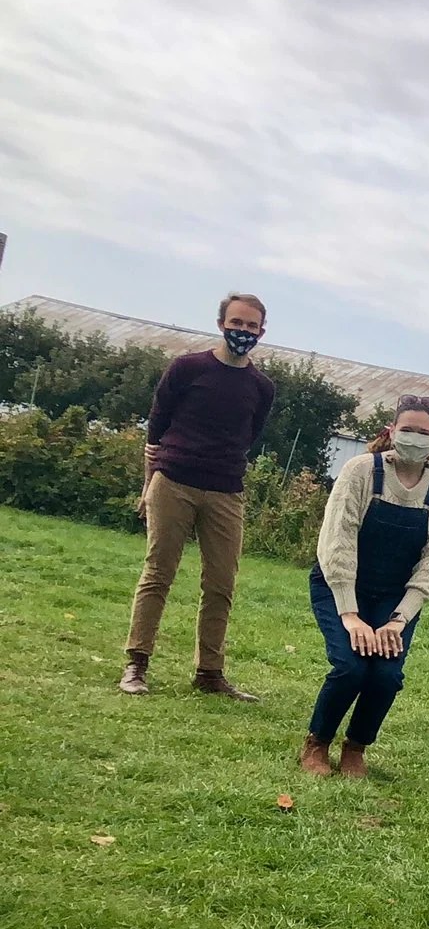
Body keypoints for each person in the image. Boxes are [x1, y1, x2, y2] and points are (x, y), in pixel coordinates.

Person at [120, 292, 277, 700]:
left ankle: (210, 673)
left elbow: (250, 435)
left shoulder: (262, 387)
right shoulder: (187, 368)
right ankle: (136, 663)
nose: (243, 331)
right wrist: (148, 483)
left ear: (262, 331)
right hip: (173, 481)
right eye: (236, 322)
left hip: (226, 491)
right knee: (158, 574)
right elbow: (155, 432)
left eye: (251, 326)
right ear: (221, 322)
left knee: (221, 585)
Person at [299, 396, 429, 778]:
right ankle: (317, 743)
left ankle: (356, 748)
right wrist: (351, 616)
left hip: (395, 596)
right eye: (407, 429)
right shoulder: (361, 471)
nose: (414, 438)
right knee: (350, 667)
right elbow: (337, 540)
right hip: (339, 585)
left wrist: (398, 620)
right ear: (391, 431)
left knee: (386, 674)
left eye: (424, 433)